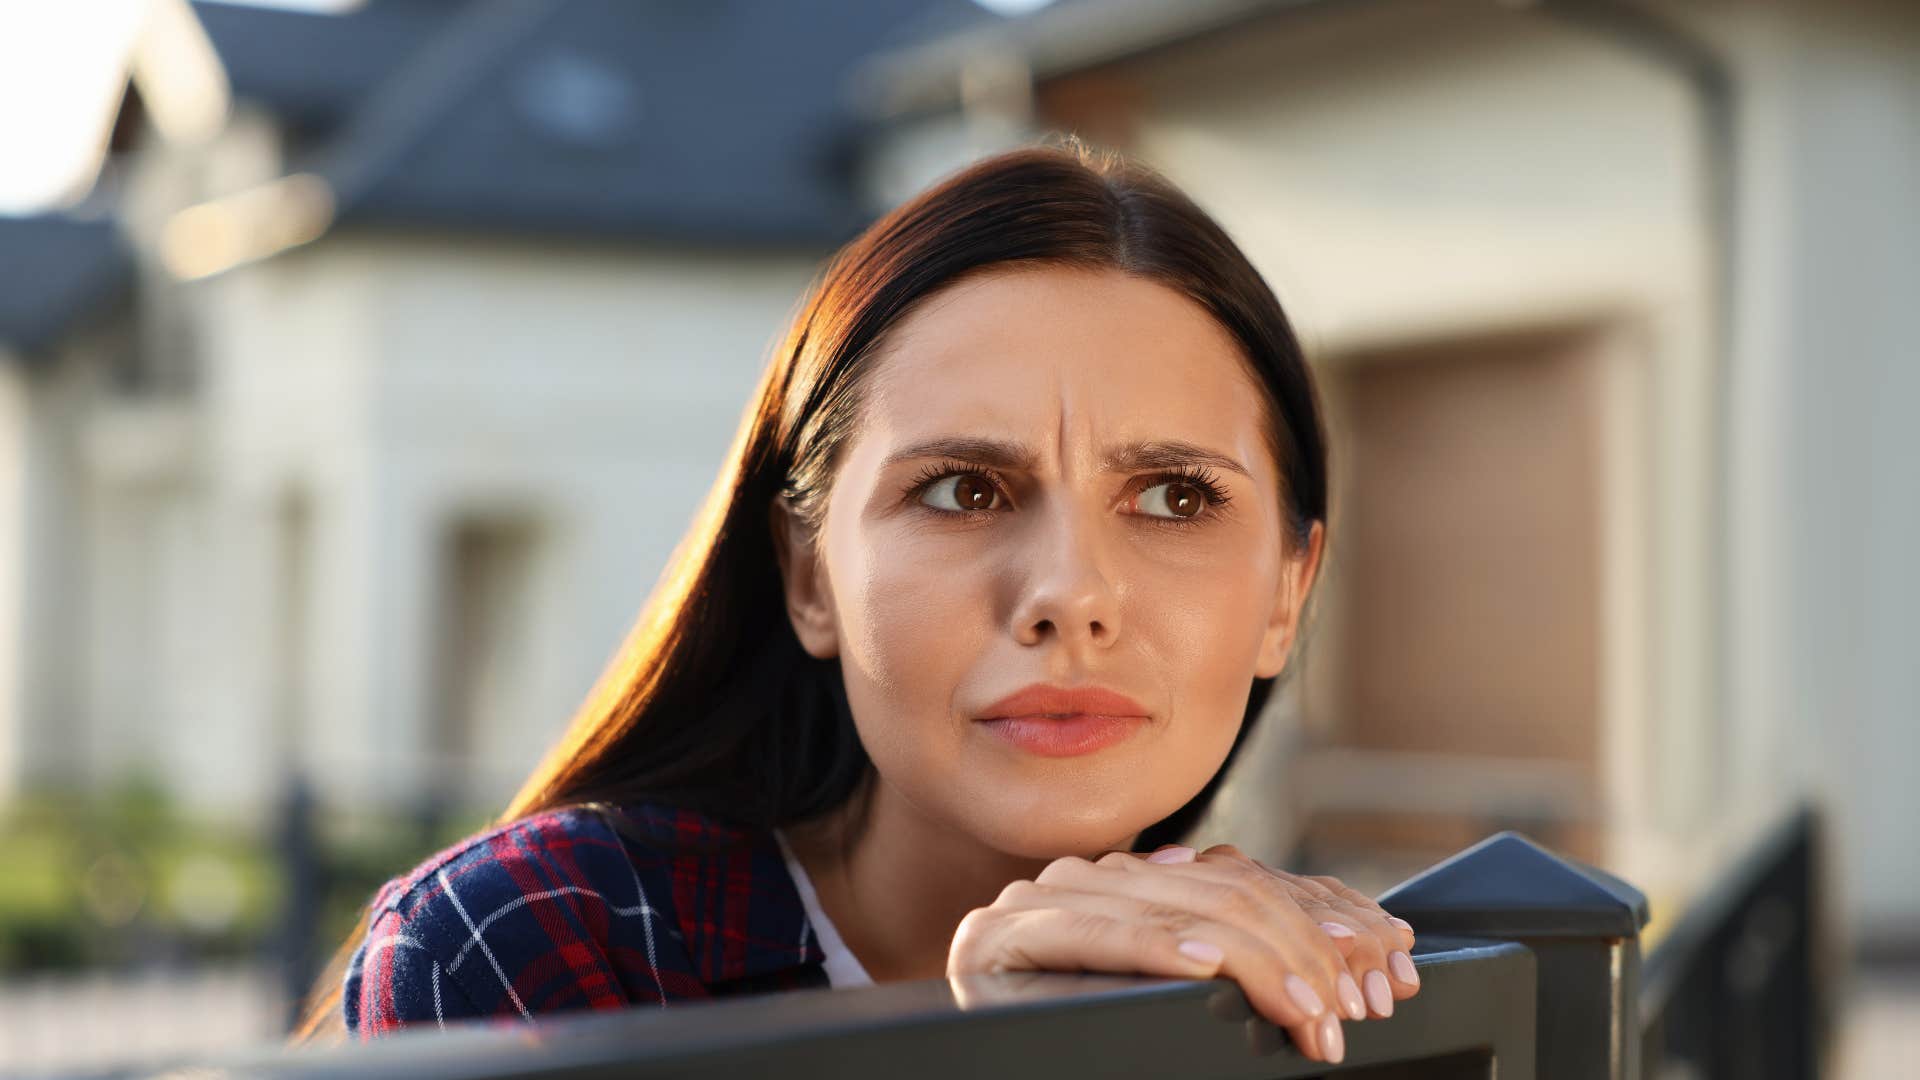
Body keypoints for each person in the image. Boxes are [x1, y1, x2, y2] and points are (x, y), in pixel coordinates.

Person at [288, 138, 1421, 1065]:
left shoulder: (1327, 1001)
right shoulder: (543, 949)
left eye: (1174, 497)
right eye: (963, 490)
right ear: (807, 573)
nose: (1069, 595)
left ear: (1287, 593)